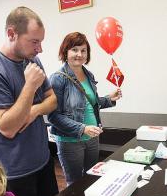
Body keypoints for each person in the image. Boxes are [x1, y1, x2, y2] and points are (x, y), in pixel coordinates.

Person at [0, 6, 58, 196]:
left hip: (43, 159)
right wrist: (29, 85)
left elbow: (53, 100)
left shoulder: (32, 60)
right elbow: (8, 127)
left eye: (41, 42)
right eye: (34, 41)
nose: (40, 49)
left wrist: (34, 111)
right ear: (11, 34)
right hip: (15, 171)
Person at [48, 32, 122, 186]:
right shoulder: (57, 79)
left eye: (83, 50)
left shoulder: (89, 75)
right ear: (65, 52)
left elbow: (89, 104)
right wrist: (82, 128)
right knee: (75, 184)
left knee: (91, 178)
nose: (79, 54)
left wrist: (109, 99)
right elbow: (53, 117)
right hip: (70, 141)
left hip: (93, 137)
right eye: (74, 50)